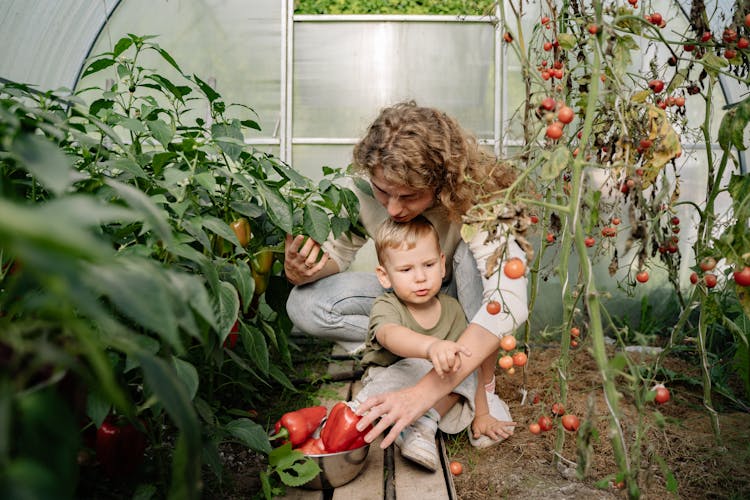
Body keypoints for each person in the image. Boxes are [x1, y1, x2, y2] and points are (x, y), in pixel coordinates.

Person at [284, 101, 529, 450]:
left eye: (409, 196)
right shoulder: (362, 189)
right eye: (384, 192)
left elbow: (510, 302)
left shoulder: (481, 194)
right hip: (406, 304)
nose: (393, 209)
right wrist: (301, 271)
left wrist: (418, 396)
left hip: (462, 307)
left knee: (478, 264)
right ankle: (414, 356)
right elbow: (337, 255)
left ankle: (479, 388)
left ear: (443, 180)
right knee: (305, 303)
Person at [350, 216, 512, 471]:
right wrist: (431, 348)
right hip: (389, 382)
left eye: (428, 265)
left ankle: (423, 425)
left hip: (434, 393)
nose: (420, 278)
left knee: (464, 362)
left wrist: (481, 414)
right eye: (406, 270)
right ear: (384, 276)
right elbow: (389, 335)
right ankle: (355, 411)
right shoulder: (387, 305)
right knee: (417, 363)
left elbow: (472, 362)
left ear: (442, 264)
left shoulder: (453, 309)